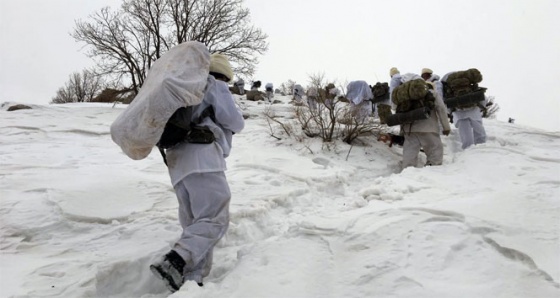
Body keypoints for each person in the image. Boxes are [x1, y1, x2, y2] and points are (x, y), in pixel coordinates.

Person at [150, 53, 245, 292]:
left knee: (195, 223)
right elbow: (236, 122)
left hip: (177, 162)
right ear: (223, 74)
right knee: (215, 218)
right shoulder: (214, 84)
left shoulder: (183, 89)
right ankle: (176, 260)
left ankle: (191, 281)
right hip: (203, 158)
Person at [400, 74, 451, 168]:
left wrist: (402, 130)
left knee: (409, 153)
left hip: (409, 129)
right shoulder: (432, 93)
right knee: (434, 152)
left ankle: (407, 173)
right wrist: (446, 127)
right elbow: (441, 109)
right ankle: (433, 172)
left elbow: (398, 111)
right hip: (428, 128)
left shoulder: (403, 95)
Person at [441, 71, 487, 149]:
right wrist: (481, 107)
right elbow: (482, 98)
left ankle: (468, 149)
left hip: (459, 113)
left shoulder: (446, 82)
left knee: (465, 134)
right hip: (474, 111)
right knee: (479, 131)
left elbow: (446, 102)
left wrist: (451, 112)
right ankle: (481, 147)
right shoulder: (469, 83)